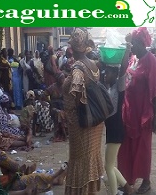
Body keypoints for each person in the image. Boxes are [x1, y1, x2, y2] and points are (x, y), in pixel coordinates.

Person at [118, 28, 156, 194]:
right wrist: (127, 49)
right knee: (127, 146)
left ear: (140, 43)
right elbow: (123, 73)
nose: (132, 47)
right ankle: (127, 178)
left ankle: (146, 180)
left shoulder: (151, 61)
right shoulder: (133, 58)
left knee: (143, 147)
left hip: (143, 113)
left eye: (133, 44)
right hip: (129, 111)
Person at [63, 28, 104, 195]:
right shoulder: (93, 65)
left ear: (72, 47)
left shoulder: (77, 68)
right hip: (95, 120)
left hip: (81, 122)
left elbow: (77, 92)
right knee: (90, 157)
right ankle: (90, 192)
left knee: (80, 159)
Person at [0, 121, 67, 192]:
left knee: (31, 175)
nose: (1, 135)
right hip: (5, 184)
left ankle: (54, 179)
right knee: (34, 177)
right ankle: (55, 178)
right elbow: (15, 167)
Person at [104, 62, 133, 195]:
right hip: (112, 130)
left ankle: (114, 193)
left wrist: (127, 49)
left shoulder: (119, 87)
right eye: (105, 72)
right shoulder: (108, 88)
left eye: (109, 73)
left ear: (116, 75)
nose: (105, 75)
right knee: (110, 165)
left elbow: (122, 71)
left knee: (108, 166)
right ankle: (127, 187)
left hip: (116, 130)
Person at [45, 72, 67, 142]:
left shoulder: (65, 87)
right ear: (58, 79)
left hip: (64, 107)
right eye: (62, 78)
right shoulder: (52, 87)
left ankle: (66, 132)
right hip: (54, 108)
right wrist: (49, 102)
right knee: (59, 113)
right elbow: (44, 95)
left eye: (63, 78)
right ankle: (60, 133)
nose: (63, 80)